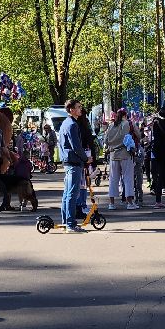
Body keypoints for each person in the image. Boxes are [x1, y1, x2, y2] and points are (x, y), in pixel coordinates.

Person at [58, 99, 89, 233]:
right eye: (78, 107)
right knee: (72, 193)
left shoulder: (66, 123)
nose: (80, 109)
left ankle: (66, 221)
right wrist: (86, 158)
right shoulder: (72, 125)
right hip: (73, 162)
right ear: (71, 109)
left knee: (67, 193)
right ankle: (70, 224)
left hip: (69, 161)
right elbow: (76, 146)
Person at [102, 109, 138, 210]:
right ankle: (129, 202)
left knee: (113, 178)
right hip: (125, 153)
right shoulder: (126, 123)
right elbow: (130, 136)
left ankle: (111, 203)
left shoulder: (111, 125)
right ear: (125, 115)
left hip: (113, 154)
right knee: (128, 178)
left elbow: (105, 140)